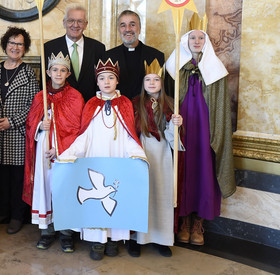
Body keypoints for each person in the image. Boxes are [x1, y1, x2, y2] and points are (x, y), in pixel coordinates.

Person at [59, 59, 147, 261]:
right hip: (95, 161)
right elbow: (84, 136)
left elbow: (129, 135)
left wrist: (137, 154)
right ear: (96, 82)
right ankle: (98, 241)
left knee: (115, 199)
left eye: (111, 77)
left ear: (117, 81)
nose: (106, 81)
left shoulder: (124, 104)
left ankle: (114, 240)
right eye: (101, 78)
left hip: (117, 160)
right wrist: (69, 154)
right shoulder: (91, 105)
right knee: (98, 201)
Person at [165, 14, 235, 246]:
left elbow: (222, 107)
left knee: (203, 172)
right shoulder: (176, 69)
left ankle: (198, 225)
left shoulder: (216, 70)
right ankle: (183, 221)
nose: (196, 41)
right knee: (183, 172)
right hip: (183, 130)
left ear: (206, 42)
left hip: (206, 131)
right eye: (192, 37)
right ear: (185, 41)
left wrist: (216, 134)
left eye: (200, 37)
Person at [22, 52, 84, 252]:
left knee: (64, 188)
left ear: (68, 73)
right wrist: (41, 124)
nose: (58, 73)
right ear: (48, 72)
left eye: (63, 70)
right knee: (45, 187)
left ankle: (66, 234)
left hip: (64, 153)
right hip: (42, 151)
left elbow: (77, 129)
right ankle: (47, 230)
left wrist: (59, 148)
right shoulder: (40, 96)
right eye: (54, 70)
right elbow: (30, 123)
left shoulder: (75, 97)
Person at [0, 27, 39, 234]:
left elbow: (34, 106)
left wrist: (12, 122)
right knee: (0, 176)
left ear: (25, 48)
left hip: (18, 134)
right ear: (5, 45)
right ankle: (1, 211)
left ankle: (17, 215)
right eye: (12, 43)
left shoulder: (29, 73)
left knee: (17, 178)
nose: (15, 47)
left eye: (20, 44)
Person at [129, 59, 183, 257]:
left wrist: (175, 124)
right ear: (143, 83)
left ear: (162, 83)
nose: (152, 83)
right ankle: (136, 238)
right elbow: (131, 129)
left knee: (161, 193)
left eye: (156, 79)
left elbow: (173, 137)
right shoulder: (136, 103)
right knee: (140, 194)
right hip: (142, 150)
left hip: (162, 153)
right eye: (148, 79)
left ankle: (161, 238)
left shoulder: (169, 104)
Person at [44, 4, 106, 102]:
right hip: (60, 107)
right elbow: (44, 83)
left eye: (80, 21)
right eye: (71, 20)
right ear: (64, 23)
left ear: (86, 25)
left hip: (89, 107)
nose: (75, 25)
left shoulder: (98, 48)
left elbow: (102, 80)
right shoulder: (49, 48)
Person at [104, 10, 165, 99]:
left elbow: (163, 92)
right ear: (119, 29)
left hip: (146, 110)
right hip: (118, 109)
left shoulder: (156, 56)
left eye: (132, 25)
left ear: (139, 28)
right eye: (123, 25)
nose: (128, 29)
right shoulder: (107, 57)